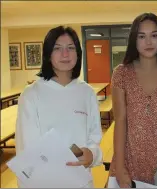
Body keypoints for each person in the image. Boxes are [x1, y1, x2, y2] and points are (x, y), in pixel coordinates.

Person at [15, 26, 103, 188]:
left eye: (71, 48)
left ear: (78, 54)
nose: (65, 54)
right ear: (48, 55)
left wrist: (92, 154)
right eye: (57, 48)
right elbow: (26, 152)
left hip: (81, 182)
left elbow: (94, 138)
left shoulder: (87, 92)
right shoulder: (31, 94)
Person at [109, 13, 157, 188]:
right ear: (134, 40)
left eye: (154, 35)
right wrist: (120, 167)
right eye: (142, 36)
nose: (148, 42)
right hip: (129, 160)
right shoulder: (121, 73)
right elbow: (120, 120)